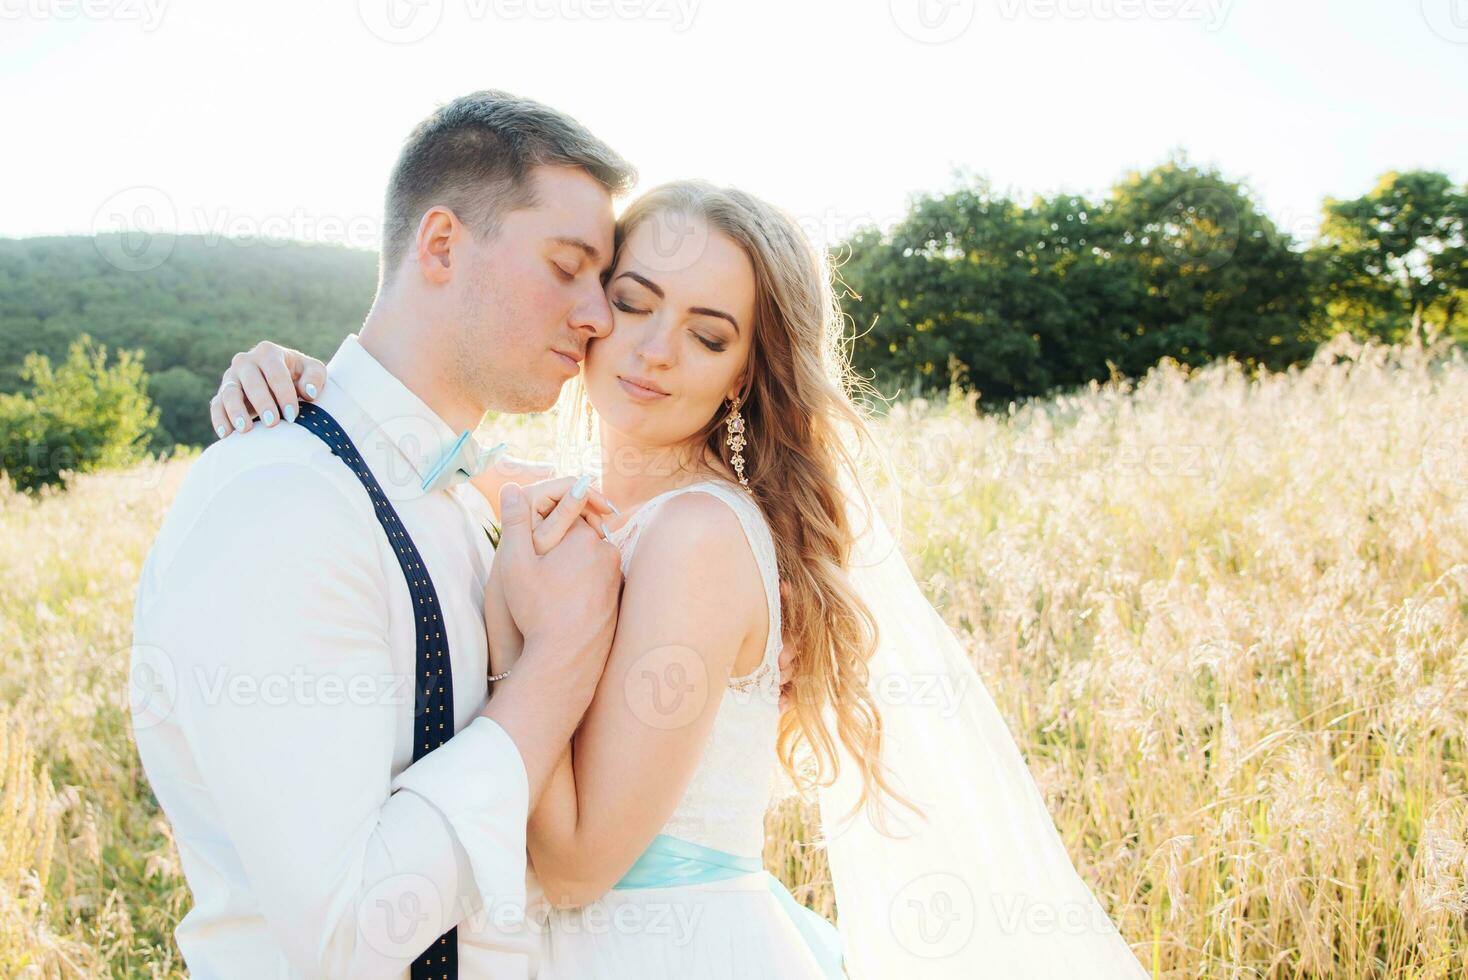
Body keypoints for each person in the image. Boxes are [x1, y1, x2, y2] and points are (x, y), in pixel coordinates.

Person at [213, 178, 1149, 977]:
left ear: (745, 373)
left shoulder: (697, 537)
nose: (654, 350)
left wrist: (518, 628)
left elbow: (578, 867)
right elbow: (427, 446)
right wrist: (307, 385)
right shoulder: (580, 504)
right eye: (633, 301)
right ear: (587, 306)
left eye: (707, 335)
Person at [131, 90, 636, 979]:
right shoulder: (283, 498)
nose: (598, 317)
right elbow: (344, 937)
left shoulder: (466, 495)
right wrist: (554, 670)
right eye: (567, 267)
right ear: (441, 245)